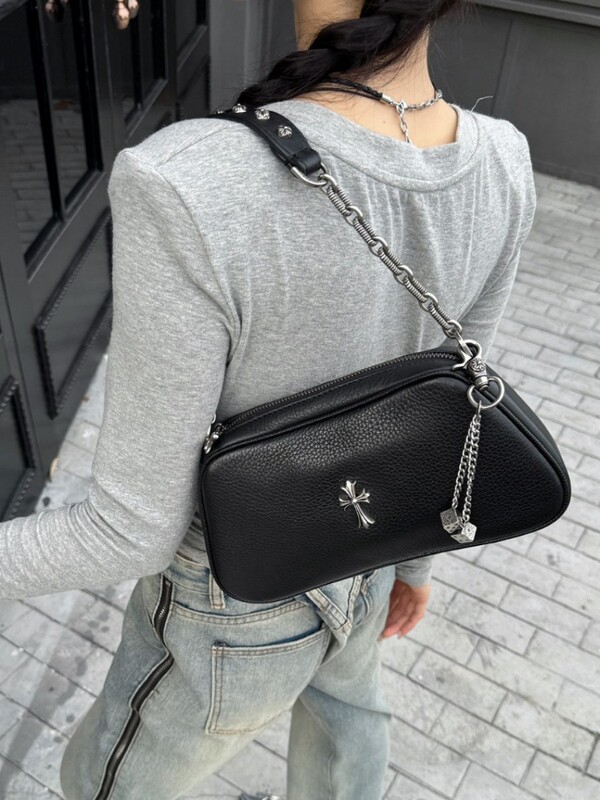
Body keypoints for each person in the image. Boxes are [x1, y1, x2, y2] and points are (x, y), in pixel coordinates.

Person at [0, 0, 536, 798]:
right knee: (350, 728)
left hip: (234, 596)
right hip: (376, 543)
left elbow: (129, 532)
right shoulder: (502, 158)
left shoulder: (190, 177)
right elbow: (461, 412)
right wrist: (416, 563)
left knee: (107, 783)